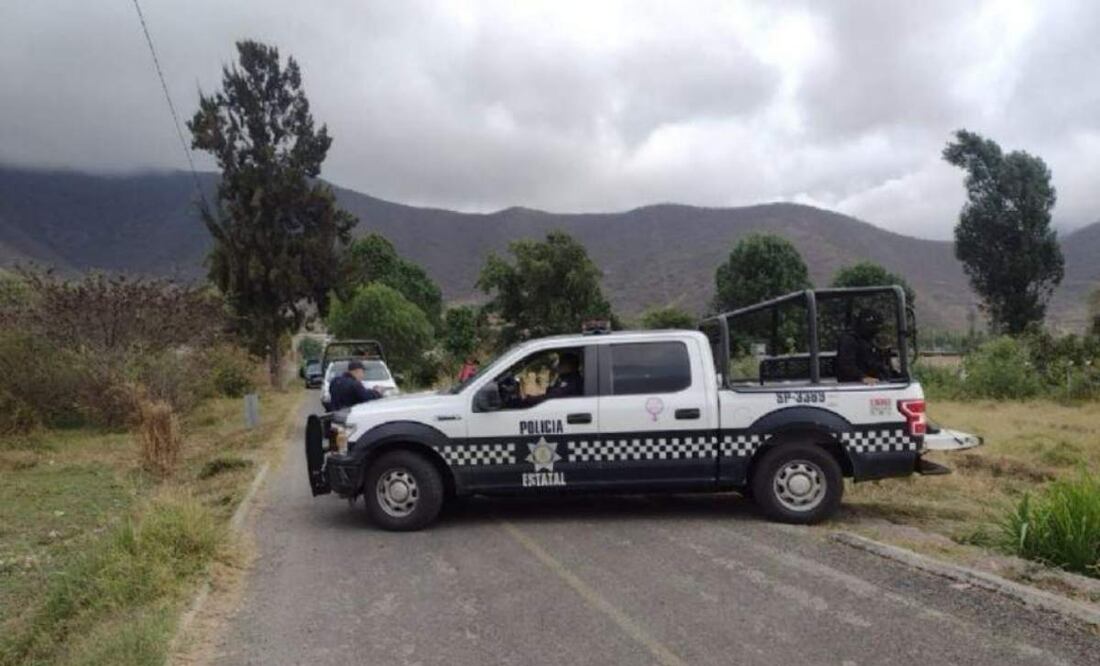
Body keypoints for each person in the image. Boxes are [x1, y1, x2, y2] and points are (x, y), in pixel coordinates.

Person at [836, 310, 891, 384]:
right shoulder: (850, 339)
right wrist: (862, 377)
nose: (877, 330)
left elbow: (873, 363)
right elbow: (846, 365)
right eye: (874, 325)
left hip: (875, 382)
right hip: (854, 385)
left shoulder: (868, 341)